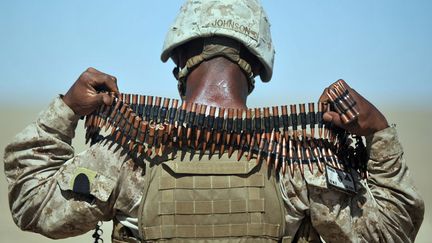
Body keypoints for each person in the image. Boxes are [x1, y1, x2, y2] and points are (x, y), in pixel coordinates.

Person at [4, 0, 424, 242]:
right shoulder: (302, 162)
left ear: (180, 63)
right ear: (256, 71)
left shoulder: (124, 154)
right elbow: (391, 231)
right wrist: (379, 133)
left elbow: (31, 204)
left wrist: (67, 109)